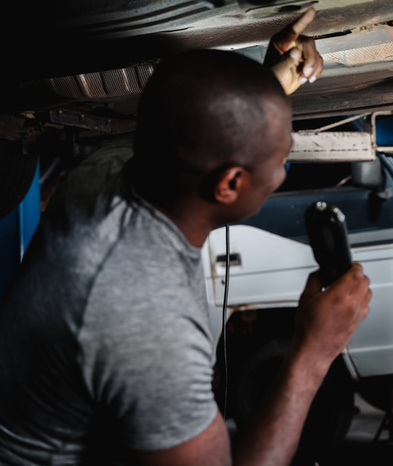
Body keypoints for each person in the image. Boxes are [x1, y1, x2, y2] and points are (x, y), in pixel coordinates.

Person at [0, 8, 372, 466]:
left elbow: (201, 125)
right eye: (279, 159)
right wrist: (313, 353)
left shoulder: (105, 171)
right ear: (229, 185)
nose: (280, 174)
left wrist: (266, 84)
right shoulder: (146, 320)